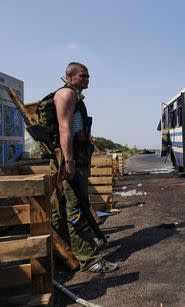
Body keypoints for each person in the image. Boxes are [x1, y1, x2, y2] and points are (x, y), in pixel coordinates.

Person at [51, 62, 118, 273]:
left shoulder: (75, 96)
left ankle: (65, 254)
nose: (87, 79)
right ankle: (90, 260)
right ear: (70, 77)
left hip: (73, 160)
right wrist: (69, 161)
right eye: (82, 76)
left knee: (62, 208)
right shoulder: (67, 95)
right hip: (71, 162)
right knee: (76, 209)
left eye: (88, 76)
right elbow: (65, 129)